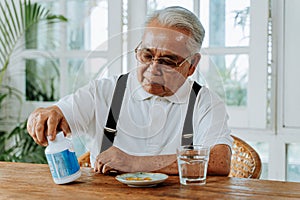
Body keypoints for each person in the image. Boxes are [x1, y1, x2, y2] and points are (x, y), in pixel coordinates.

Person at [27, 6, 233, 175]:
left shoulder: (204, 102)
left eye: (168, 61)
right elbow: (59, 114)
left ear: (192, 65)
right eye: (147, 55)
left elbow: (219, 162)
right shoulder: (104, 90)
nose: (153, 68)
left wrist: (134, 163)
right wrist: (45, 115)